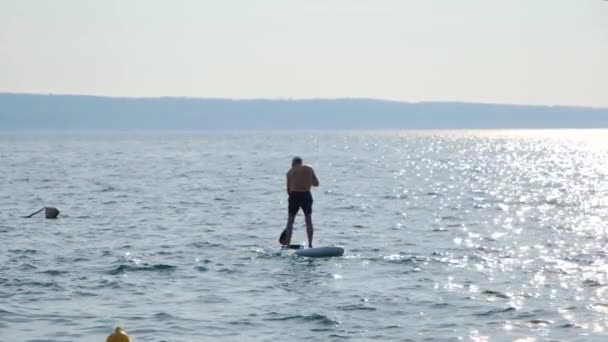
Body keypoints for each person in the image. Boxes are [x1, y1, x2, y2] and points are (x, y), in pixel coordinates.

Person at [279, 156, 319, 248]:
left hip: (294, 196)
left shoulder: (289, 172)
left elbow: (288, 190)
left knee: (290, 221)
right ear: (301, 162)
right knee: (308, 220)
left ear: (293, 163)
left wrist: (292, 198)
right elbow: (316, 183)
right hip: (306, 195)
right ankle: (310, 244)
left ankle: (287, 245)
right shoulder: (309, 168)